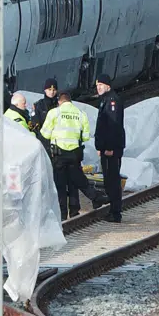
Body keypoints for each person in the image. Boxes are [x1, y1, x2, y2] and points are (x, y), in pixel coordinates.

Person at [41, 88, 91, 219]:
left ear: (59, 101)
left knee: (60, 185)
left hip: (59, 155)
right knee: (73, 183)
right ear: (71, 101)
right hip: (75, 154)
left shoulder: (54, 113)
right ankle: (74, 211)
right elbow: (86, 137)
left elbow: (44, 133)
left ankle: (62, 214)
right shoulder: (81, 113)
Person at [94, 74, 126, 222]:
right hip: (106, 148)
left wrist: (110, 148)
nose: (98, 88)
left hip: (111, 149)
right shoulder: (106, 100)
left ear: (108, 86)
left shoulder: (112, 101)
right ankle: (113, 210)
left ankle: (116, 212)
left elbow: (113, 127)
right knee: (109, 179)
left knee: (112, 180)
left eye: (101, 85)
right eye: (97, 85)